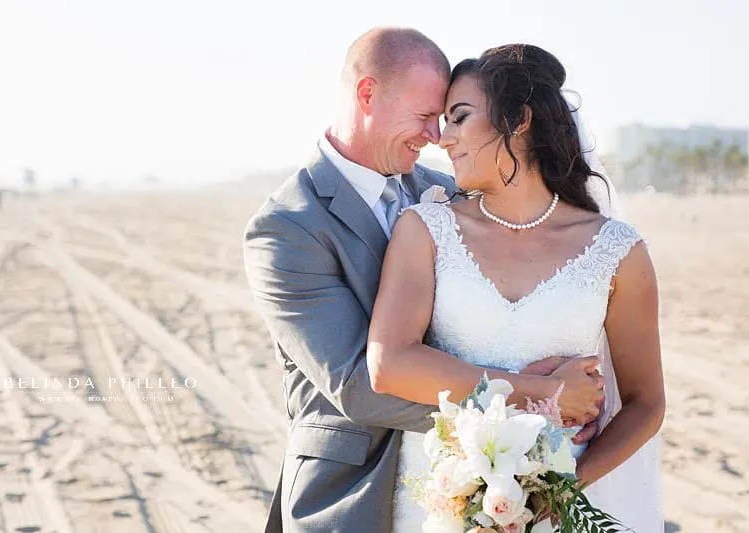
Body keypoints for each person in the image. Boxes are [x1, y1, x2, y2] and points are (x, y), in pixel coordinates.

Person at [243, 28, 604, 533]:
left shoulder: (445, 193)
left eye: (445, 119)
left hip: (479, 484)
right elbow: (358, 386)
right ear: (367, 94)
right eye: (424, 117)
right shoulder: (287, 228)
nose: (436, 136)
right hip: (351, 492)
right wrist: (538, 401)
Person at [367, 44, 665, 532]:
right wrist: (544, 393)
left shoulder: (618, 251)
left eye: (459, 117)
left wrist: (563, 489)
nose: (443, 138)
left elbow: (646, 402)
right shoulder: (424, 229)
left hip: (558, 508)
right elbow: (390, 364)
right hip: (442, 497)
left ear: (519, 119)